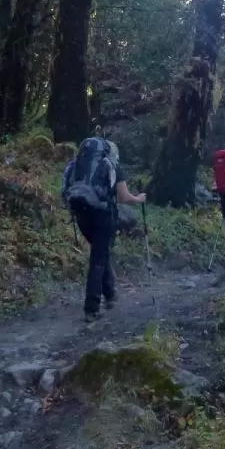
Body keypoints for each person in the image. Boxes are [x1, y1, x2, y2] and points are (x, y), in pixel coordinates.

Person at [63, 136, 145, 322]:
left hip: (81, 214)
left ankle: (110, 295)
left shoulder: (76, 165)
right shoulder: (112, 164)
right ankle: (91, 307)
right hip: (102, 215)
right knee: (99, 257)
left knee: (101, 252)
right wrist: (139, 199)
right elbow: (124, 197)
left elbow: (66, 191)